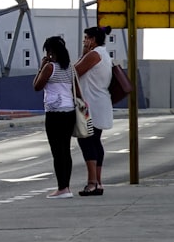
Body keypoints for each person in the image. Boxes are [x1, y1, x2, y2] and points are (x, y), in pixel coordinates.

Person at [34, 35, 76, 199]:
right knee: (66, 150)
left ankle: (62, 188)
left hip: (54, 114)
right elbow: (75, 91)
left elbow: (37, 86)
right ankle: (67, 186)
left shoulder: (49, 67)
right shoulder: (70, 68)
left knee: (57, 151)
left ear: (50, 52)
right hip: (69, 112)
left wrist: (41, 67)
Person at [74, 25, 114, 195]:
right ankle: (97, 181)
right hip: (101, 102)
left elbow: (73, 73)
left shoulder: (93, 55)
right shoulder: (104, 55)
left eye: (85, 38)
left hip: (91, 104)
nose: (84, 41)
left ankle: (92, 182)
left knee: (87, 141)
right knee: (95, 141)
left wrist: (84, 53)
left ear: (92, 40)